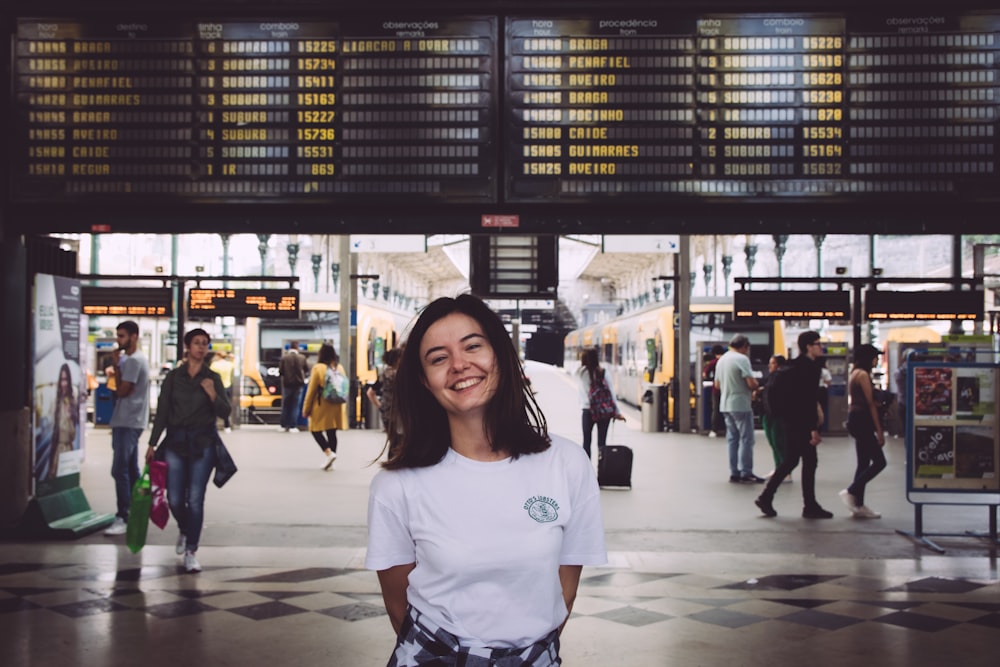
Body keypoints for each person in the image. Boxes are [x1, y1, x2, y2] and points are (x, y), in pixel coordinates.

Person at [366, 294, 606, 666]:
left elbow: (564, 590)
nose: (459, 365)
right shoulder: (396, 486)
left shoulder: (567, 464)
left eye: (473, 346)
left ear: (502, 356)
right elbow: (399, 606)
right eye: (438, 358)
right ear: (425, 382)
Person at [146, 328, 231, 573]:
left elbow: (225, 412)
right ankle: (185, 529)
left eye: (205, 343)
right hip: (175, 442)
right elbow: (162, 412)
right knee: (174, 498)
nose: (201, 347)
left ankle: (192, 549)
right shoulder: (173, 378)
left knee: (195, 499)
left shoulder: (212, 377)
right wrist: (152, 443)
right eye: (196, 343)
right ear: (187, 347)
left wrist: (213, 394)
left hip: (202, 443)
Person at [755, 331, 834, 519]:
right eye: (817, 344)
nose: (820, 347)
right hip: (802, 423)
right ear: (808, 346)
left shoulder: (792, 365)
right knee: (808, 462)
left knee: (791, 460)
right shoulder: (810, 368)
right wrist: (813, 428)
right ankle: (809, 505)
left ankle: (767, 497)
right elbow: (807, 400)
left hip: (789, 420)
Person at [103, 321, 150, 537]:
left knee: (119, 469)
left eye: (122, 336)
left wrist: (117, 367)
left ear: (134, 336)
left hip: (127, 421)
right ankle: (136, 509)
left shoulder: (132, 361)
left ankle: (123, 514)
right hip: (130, 420)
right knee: (131, 469)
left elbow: (122, 391)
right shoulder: (134, 360)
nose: (118, 340)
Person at [839, 344, 886, 519]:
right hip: (863, 421)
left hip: (855, 420)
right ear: (868, 357)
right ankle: (851, 492)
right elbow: (870, 404)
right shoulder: (863, 375)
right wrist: (879, 431)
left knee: (863, 463)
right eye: (875, 356)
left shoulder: (854, 373)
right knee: (880, 462)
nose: (877, 360)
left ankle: (858, 505)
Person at [714, 334, 763, 483]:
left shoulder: (721, 360)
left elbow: (717, 385)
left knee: (732, 439)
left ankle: (734, 472)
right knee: (747, 439)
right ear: (744, 347)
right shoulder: (742, 359)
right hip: (741, 404)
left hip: (725, 404)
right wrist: (757, 387)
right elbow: (751, 383)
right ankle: (746, 472)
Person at [302, 343, 347, 471]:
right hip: (337, 404)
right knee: (332, 431)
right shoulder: (339, 367)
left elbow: (311, 391)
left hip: (322, 404)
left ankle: (329, 453)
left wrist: (306, 408)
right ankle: (331, 460)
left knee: (315, 429)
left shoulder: (318, 368)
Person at [576, 346, 625, 459]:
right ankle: (602, 469)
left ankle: (587, 470)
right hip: (603, 411)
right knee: (602, 443)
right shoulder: (603, 372)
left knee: (586, 442)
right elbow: (611, 393)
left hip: (587, 411)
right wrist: (617, 412)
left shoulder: (581, 373)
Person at [753, 354, 788, 481]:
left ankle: (785, 471)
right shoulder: (772, 377)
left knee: (779, 442)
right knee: (773, 443)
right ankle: (778, 467)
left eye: (772, 363)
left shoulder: (782, 378)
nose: (769, 366)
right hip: (768, 413)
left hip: (776, 414)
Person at [48, 362, 79, 479]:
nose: (64, 384)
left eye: (66, 380)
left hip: (69, 449)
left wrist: (70, 414)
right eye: (62, 380)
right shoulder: (55, 403)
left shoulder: (72, 401)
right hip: (58, 451)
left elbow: (73, 434)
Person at [366, 346, 402, 432]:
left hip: (387, 413)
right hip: (399, 414)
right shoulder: (399, 375)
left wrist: (381, 407)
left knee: (394, 441)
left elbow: (370, 393)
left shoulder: (384, 374)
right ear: (397, 359)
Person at [278, 341, 308, 433]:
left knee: (286, 405)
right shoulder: (302, 358)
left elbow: (281, 371)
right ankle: (293, 426)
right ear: (297, 348)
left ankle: (283, 425)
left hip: (287, 384)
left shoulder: (284, 358)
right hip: (299, 385)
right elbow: (306, 369)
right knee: (295, 406)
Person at [703, 344, 726, 437]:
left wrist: (710, 378)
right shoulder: (727, 361)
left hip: (716, 389)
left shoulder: (713, 362)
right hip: (728, 388)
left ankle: (714, 430)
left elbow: (704, 374)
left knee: (715, 409)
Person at [209, 350, 235, 433]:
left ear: (218, 356)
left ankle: (213, 425)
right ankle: (227, 426)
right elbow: (234, 364)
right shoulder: (229, 364)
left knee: (213, 406)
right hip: (227, 387)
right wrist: (231, 358)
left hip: (216, 387)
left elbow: (209, 374)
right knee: (225, 406)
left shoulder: (214, 365)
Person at [817, 356, 832, 432]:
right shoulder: (825, 371)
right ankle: (820, 428)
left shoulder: (814, 369)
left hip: (814, 391)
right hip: (822, 391)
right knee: (822, 409)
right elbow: (829, 382)